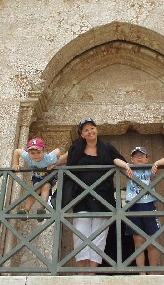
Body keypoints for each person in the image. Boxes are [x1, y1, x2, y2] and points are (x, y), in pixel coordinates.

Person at [55, 117, 129, 274]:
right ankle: (82, 273)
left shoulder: (106, 148)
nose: (90, 132)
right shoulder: (76, 149)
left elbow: (117, 160)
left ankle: (91, 273)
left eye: (92, 128)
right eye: (86, 130)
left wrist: (127, 166)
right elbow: (64, 159)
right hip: (82, 198)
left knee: (99, 238)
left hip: (103, 199)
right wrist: (50, 164)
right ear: (82, 134)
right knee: (80, 235)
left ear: (97, 130)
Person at [115, 146, 164, 274]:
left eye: (142, 155)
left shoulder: (150, 169)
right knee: (138, 241)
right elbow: (115, 161)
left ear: (147, 159)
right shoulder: (130, 169)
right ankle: (141, 273)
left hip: (148, 205)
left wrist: (156, 163)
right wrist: (126, 166)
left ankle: (153, 272)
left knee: (151, 241)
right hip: (133, 206)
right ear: (132, 159)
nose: (139, 158)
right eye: (136, 156)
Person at [12, 138, 60, 221]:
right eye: (32, 153)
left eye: (38, 152)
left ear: (43, 151)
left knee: (46, 186)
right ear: (28, 152)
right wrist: (15, 164)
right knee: (36, 188)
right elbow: (17, 151)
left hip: (49, 175)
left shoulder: (48, 158)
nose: (36, 155)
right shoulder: (27, 157)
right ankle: (26, 210)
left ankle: (41, 210)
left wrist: (55, 164)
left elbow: (58, 151)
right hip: (37, 176)